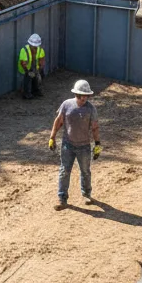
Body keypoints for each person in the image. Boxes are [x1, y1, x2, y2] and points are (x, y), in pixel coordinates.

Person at [49, 79, 101, 210]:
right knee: (64, 171)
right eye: (81, 96)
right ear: (76, 94)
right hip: (67, 145)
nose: (84, 98)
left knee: (85, 171)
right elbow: (59, 121)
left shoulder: (91, 109)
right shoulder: (66, 105)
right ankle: (62, 199)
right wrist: (52, 137)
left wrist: (97, 144)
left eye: (86, 96)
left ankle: (86, 194)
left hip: (84, 147)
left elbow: (95, 127)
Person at [17, 33, 46, 99]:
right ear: (30, 45)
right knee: (27, 78)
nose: (34, 48)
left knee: (39, 76)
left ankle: (36, 90)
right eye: (33, 47)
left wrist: (39, 70)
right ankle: (26, 93)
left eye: (35, 47)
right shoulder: (24, 50)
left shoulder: (40, 50)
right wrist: (28, 72)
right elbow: (23, 63)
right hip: (25, 70)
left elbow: (42, 61)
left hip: (35, 68)